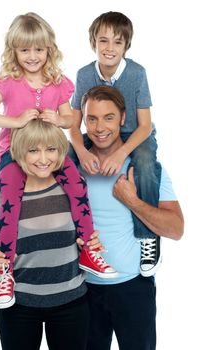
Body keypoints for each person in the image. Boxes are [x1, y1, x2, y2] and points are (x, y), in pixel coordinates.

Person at [0, 12, 117, 309]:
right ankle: (7, 271)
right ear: (13, 50)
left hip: (53, 152)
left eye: (39, 49)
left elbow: (69, 118)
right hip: (14, 154)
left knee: (78, 186)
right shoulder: (8, 82)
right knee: (10, 200)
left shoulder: (57, 82)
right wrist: (15, 120)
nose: (32, 56)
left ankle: (88, 250)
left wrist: (59, 117)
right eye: (25, 49)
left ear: (49, 50)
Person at [75, 85, 184, 350]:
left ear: (123, 118)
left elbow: (176, 229)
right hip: (80, 288)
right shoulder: (71, 167)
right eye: (92, 118)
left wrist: (132, 201)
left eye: (109, 117)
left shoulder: (145, 169)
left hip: (133, 287)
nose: (100, 127)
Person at [0, 119, 106, 350]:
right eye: (33, 150)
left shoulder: (73, 185)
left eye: (50, 149)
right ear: (19, 151)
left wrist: (90, 242)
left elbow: (84, 230)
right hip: (19, 305)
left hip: (71, 302)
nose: (43, 159)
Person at [70, 11, 162, 277]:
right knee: (64, 158)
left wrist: (122, 153)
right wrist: (81, 152)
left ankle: (148, 236)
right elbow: (74, 126)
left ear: (126, 45)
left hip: (134, 133)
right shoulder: (84, 74)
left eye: (117, 42)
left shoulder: (137, 73)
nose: (110, 48)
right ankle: (75, 234)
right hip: (96, 131)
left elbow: (145, 125)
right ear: (93, 43)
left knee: (144, 162)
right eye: (103, 41)